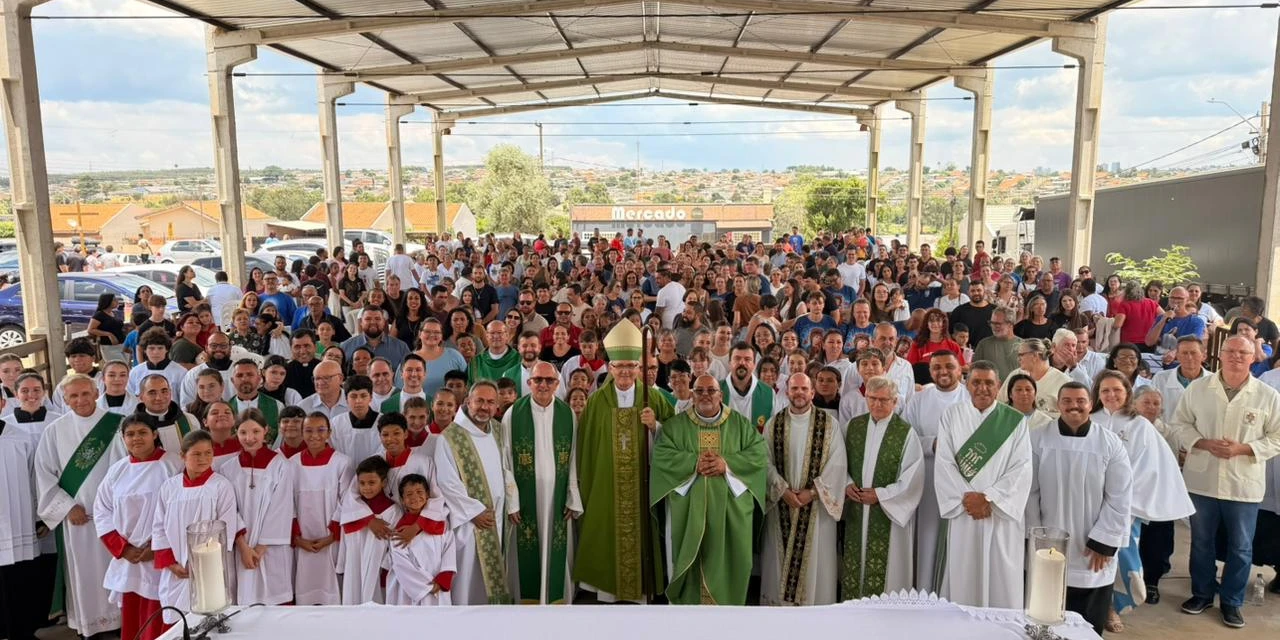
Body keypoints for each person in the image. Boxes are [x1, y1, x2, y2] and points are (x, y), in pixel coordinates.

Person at [1169, 335, 1280, 629]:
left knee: (1241, 546)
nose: (1235, 357)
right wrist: (1203, 443)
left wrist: (1242, 449)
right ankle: (1202, 593)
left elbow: (1277, 437)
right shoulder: (1198, 389)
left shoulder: (1267, 395)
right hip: (1202, 480)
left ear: (1253, 357)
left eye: (1242, 352)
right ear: (1219, 355)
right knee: (1202, 542)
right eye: (1229, 351)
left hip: (1243, 485)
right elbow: (1180, 423)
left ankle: (1232, 602)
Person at [575, 320, 675, 603]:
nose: (626, 372)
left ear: (638, 368)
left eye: (631, 366)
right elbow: (586, 448)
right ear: (610, 368)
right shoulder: (596, 403)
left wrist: (656, 426)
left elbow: (678, 435)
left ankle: (641, 592)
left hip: (644, 487)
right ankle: (608, 592)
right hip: (606, 486)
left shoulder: (653, 397)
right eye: (620, 367)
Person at [1026, 382, 1133, 636]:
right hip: (1048, 542)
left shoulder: (1109, 443)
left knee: (1087, 623)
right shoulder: (1038, 438)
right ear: (1057, 404)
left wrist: (1104, 541)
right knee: (1046, 615)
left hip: (1092, 546)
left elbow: (1120, 495)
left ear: (1090, 403)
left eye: (1081, 401)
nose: (1074, 406)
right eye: (1067, 401)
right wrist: (1036, 538)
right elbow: (1029, 493)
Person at [1090, 371, 1194, 631]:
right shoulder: (1090, 420)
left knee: (1116, 557)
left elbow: (1149, 467)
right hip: (1089, 502)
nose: (1111, 395)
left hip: (1126, 505)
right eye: (1105, 391)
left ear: (1127, 393)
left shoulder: (1139, 426)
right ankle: (1091, 605)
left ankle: (1111, 608)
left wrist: (1117, 496)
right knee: (1089, 557)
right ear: (1097, 393)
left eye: (1117, 390)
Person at [651, 374, 767, 605]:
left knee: (731, 561)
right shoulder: (675, 427)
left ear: (720, 394)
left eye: (711, 391)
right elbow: (662, 456)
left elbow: (758, 454)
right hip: (688, 509)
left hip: (730, 510)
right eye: (700, 391)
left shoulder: (740, 424)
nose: (706, 395)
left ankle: (728, 612)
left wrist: (727, 464)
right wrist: (694, 463)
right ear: (692, 395)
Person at [934, 361, 1033, 609]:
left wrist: (989, 498)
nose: (982, 388)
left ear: (998, 386)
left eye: (989, 383)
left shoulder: (1015, 420)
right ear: (967, 384)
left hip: (999, 514)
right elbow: (944, 462)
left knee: (1001, 580)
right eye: (976, 382)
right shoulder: (951, 415)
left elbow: (1021, 468)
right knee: (963, 576)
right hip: (964, 511)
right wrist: (969, 500)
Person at [35, 375, 126, 637]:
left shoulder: (116, 425)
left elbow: (126, 469)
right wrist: (66, 507)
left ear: (96, 392)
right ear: (64, 399)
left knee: (114, 567)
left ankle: (121, 622)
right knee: (83, 573)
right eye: (73, 396)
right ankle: (89, 625)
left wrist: (116, 509)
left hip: (112, 518)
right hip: (78, 520)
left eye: (85, 394)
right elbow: (43, 474)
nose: (80, 400)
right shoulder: (55, 430)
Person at [760, 373, 847, 606]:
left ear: (812, 393)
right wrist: (783, 490)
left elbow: (837, 464)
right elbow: (764, 462)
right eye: (794, 388)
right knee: (779, 561)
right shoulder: (773, 424)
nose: (799, 393)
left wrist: (813, 492)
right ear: (787, 392)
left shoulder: (829, 425)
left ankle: (815, 617)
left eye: (804, 389)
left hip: (816, 508)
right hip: (782, 506)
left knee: (815, 564)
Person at [499, 361, 582, 604]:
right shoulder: (513, 414)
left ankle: (555, 601)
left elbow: (574, 457)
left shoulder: (567, 414)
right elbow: (505, 460)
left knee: (556, 550)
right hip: (526, 500)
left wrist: (572, 495)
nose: (543, 385)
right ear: (529, 383)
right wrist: (512, 501)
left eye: (549, 381)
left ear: (558, 384)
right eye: (538, 380)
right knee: (526, 552)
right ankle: (527, 602)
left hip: (557, 499)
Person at [93, 414, 178, 640]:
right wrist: (123, 549)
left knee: (161, 616)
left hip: (161, 557)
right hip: (130, 558)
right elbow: (102, 510)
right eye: (130, 434)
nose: (136, 438)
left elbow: (181, 510)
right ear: (123, 438)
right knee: (133, 621)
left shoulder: (173, 465)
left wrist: (158, 547)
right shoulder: (117, 471)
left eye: (142, 432)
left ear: (155, 434)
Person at [841, 376, 924, 600]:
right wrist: (847, 484)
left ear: (895, 402)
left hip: (888, 513)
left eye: (883, 400)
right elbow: (839, 463)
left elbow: (912, 479)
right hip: (857, 509)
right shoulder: (853, 426)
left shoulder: (905, 433)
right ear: (866, 398)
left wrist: (880, 495)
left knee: (888, 577)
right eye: (872, 398)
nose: (877, 404)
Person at [432, 380, 515, 604]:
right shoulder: (450, 437)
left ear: (497, 406)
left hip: (497, 516)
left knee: (496, 574)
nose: (484, 407)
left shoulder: (497, 430)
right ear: (468, 401)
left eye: (490, 402)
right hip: (470, 522)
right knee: (470, 579)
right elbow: (447, 482)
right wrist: (474, 512)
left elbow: (507, 468)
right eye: (479, 401)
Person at [150, 430, 242, 626]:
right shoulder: (169, 487)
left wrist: (201, 563)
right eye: (196, 454)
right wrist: (170, 562)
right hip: (176, 569)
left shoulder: (221, 486)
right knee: (179, 621)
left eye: (208, 453)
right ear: (183, 455)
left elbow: (226, 529)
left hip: (210, 567)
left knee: (210, 617)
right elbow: (158, 527)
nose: (203, 459)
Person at [900, 351, 969, 592]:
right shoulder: (919, 401)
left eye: (949, 366)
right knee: (927, 537)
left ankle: (954, 591)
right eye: (937, 367)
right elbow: (904, 439)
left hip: (963, 480)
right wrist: (932, 444)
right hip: (927, 477)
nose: (943, 372)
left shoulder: (971, 398)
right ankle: (924, 590)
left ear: (960, 368)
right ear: (930, 371)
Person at [222, 410, 295, 606]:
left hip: (270, 548)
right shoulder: (228, 468)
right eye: (243, 432)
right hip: (241, 546)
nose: (250, 438)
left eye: (255, 431)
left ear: (266, 431)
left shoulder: (281, 465)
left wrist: (261, 546)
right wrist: (244, 546)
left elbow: (282, 508)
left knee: (273, 601)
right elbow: (228, 510)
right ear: (236, 433)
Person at [0, 392, 52, 640]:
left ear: (2, 404)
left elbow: (35, 479)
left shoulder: (19, 438)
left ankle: (23, 632)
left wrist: (39, 516)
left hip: (19, 521)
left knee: (20, 581)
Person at [290, 411, 352, 605]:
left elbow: (347, 501)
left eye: (320, 430)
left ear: (329, 433)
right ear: (301, 432)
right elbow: (286, 503)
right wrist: (298, 538)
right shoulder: (291, 464)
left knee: (332, 591)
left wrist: (331, 536)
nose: (314, 435)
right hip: (302, 540)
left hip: (332, 539)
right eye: (308, 430)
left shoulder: (342, 462)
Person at [385, 473, 456, 606]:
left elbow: (449, 550)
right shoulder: (400, 531)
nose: (415, 497)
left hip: (438, 583)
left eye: (419, 492)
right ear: (402, 499)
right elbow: (401, 564)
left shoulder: (441, 523)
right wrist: (426, 586)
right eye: (409, 494)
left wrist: (443, 578)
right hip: (410, 589)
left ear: (428, 495)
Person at [337, 456, 397, 604]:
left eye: (372, 483)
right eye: (362, 483)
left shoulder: (392, 510)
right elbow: (345, 539)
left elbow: (395, 545)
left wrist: (386, 567)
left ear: (383, 483)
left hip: (378, 569)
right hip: (354, 566)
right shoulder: (352, 511)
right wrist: (342, 563)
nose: (366, 488)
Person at [999, 338, 1072, 419]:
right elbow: (1000, 404)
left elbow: (1070, 415)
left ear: (1035, 356)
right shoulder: (1016, 375)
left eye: (1021, 355)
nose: (1018, 359)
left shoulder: (1063, 381)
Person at [135, 374, 200, 456]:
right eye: (152, 393)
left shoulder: (190, 420)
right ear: (141, 397)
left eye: (164, 391)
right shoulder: (132, 427)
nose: (159, 397)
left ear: (170, 393)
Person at [720, 342, 774, 432]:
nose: (742, 362)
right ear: (729, 363)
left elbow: (773, 430)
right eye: (737, 359)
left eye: (747, 359)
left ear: (754, 365)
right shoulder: (716, 390)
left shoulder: (768, 393)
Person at [329, 375, 382, 464]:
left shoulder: (382, 422)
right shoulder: (336, 424)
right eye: (353, 396)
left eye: (363, 396)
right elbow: (334, 454)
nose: (358, 401)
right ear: (346, 399)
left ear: (371, 397)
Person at [341, 308, 411, 371]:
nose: (373, 322)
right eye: (368, 319)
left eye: (377, 319)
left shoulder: (401, 347)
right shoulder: (346, 346)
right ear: (361, 323)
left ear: (384, 322)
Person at [127, 328, 189, 396]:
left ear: (167, 349)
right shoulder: (136, 371)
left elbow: (185, 399)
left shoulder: (180, 372)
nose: (156, 352)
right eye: (151, 348)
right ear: (145, 350)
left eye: (160, 348)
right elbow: (130, 396)